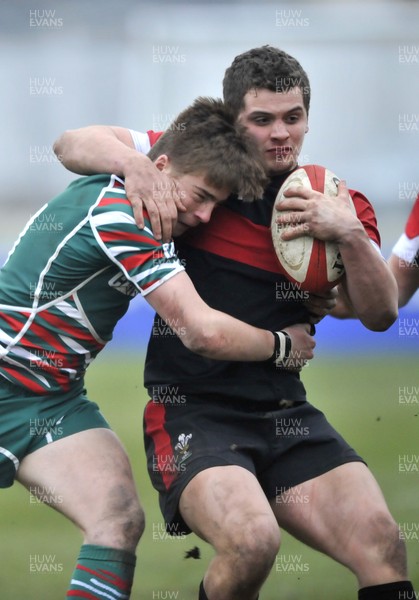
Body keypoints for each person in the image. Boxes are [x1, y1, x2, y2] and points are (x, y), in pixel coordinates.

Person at [53, 47, 416, 600]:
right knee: (251, 542)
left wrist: (347, 234)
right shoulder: (200, 177)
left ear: (307, 120)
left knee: (382, 541)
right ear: (233, 119)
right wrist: (135, 168)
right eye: (262, 119)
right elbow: (69, 143)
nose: (280, 134)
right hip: (193, 413)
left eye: (292, 118)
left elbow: (380, 314)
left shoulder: (336, 200)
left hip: (285, 414)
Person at [0, 96, 318, 600]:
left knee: (118, 520)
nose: (206, 214)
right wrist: (282, 346)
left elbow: (79, 143)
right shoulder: (126, 211)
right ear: (161, 168)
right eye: (201, 196)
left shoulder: (165, 162)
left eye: (218, 201)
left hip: (50, 397)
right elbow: (200, 331)